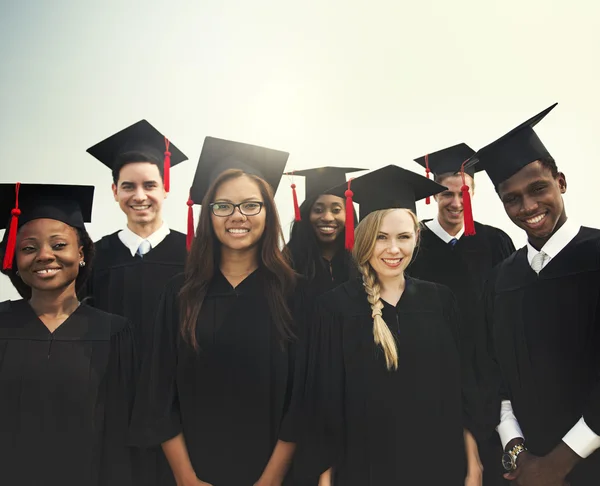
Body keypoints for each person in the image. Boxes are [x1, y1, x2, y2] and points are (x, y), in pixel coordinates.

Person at [130, 137, 306, 486]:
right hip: (193, 471)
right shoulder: (180, 293)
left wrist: (270, 481)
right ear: (208, 214)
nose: (237, 216)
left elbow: (302, 399)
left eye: (250, 205)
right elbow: (159, 392)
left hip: (275, 474)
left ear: (268, 212)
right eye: (223, 206)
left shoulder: (295, 294)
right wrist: (187, 479)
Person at [299, 165, 484, 486]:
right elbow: (324, 403)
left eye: (403, 237)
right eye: (381, 237)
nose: (393, 249)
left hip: (439, 464)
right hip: (361, 469)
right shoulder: (333, 308)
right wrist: (325, 478)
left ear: (417, 238)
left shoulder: (440, 301)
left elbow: (462, 389)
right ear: (363, 239)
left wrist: (473, 465)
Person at [474, 103, 600, 486]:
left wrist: (557, 464)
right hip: (524, 470)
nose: (528, 207)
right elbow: (494, 373)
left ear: (560, 181)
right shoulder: (501, 278)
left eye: (538, 189)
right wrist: (517, 450)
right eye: (511, 198)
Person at [0, 183, 136, 486]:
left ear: (82, 253)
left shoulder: (114, 333)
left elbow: (121, 436)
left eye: (59, 245)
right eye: (28, 247)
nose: (44, 255)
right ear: (12, 258)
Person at [408, 143, 516, 485]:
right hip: (427, 371)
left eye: (464, 193)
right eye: (446, 194)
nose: (455, 202)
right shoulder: (413, 243)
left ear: (474, 191)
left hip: (485, 373)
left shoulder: (496, 241)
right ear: (433, 195)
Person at [285, 166, 363, 297]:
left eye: (336, 210)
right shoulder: (286, 263)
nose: (327, 218)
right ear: (306, 214)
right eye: (318, 210)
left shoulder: (362, 262)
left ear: (348, 213)